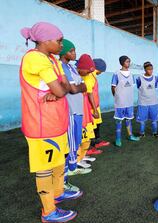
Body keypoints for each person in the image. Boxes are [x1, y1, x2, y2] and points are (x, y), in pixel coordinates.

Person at [19, 22, 80, 222]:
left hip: (56, 122)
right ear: (45, 41)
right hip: (41, 126)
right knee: (45, 168)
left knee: (58, 161)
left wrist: (58, 91)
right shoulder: (35, 59)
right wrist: (58, 91)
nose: (62, 44)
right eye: (59, 40)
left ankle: (58, 192)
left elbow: (64, 86)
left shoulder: (51, 58)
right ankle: (49, 212)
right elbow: (62, 89)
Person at [59, 39, 90, 191]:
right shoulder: (61, 67)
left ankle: (71, 169)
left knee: (76, 142)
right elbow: (72, 89)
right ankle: (63, 181)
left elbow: (82, 86)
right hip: (70, 111)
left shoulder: (71, 67)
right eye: (71, 51)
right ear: (64, 52)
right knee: (69, 146)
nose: (74, 53)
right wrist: (80, 86)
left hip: (78, 111)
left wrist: (80, 86)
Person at [81, 58, 110, 155]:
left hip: (95, 106)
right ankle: (90, 147)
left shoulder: (93, 76)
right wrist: (94, 109)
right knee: (91, 128)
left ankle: (97, 142)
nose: (101, 73)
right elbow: (89, 93)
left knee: (97, 124)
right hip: (90, 107)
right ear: (99, 69)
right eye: (101, 71)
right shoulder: (89, 76)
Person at [136, 62, 158, 138]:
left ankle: (155, 132)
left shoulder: (155, 78)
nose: (151, 71)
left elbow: (156, 87)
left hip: (154, 103)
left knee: (154, 120)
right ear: (145, 69)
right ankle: (142, 133)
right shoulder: (139, 78)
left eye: (152, 69)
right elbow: (138, 87)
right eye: (149, 69)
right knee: (142, 121)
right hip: (143, 103)